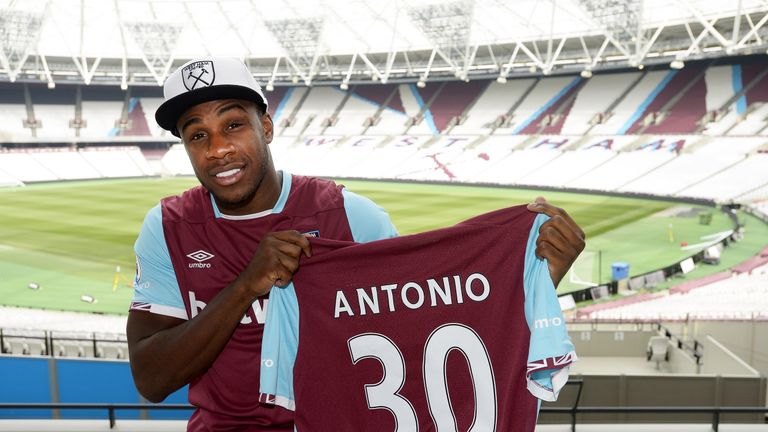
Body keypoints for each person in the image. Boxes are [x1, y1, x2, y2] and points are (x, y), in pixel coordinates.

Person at [126, 57, 586, 431]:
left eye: (233, 125)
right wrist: (246, 287)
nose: (218, 149)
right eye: (197, 135)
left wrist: (537, 277)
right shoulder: (167, 228)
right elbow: (151, 378)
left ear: (265, 126)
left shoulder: (349, 215)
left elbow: (429, 325)